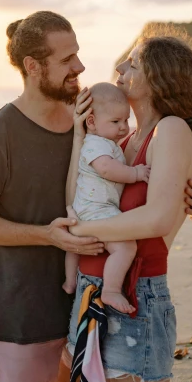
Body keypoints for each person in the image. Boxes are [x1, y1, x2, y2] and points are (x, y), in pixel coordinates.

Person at [0, 12, 192, 382]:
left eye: (78, 54)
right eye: (67, 60)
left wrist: (182, 200)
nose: (82, 67)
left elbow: (141, 199)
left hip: (86, 298)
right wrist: (51, 235)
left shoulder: (97, 120)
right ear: (33, 67)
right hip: (26, 308)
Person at [55, 28, 192, 382]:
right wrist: (80, 137)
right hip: (92, 290)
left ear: (158, 79)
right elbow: (78, 197)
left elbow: (156, 219)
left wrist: (76, 232)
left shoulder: (169, 130)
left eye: (135, 62)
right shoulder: (123, 140)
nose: (122, 64)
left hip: (135, 297)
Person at [63, 83, 149, 315]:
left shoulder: (104, 142)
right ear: (91, 122)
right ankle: (111, 289)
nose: (123, 127)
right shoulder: (96, 144)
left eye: (126, 120)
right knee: (125, 247)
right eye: (115, 121)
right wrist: (136, 173)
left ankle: (70, 281)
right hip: (98, 210)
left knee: (74, 247)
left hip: (85, 209)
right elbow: (107, 169)